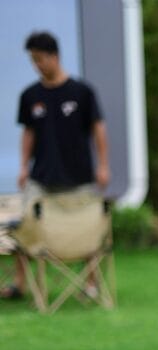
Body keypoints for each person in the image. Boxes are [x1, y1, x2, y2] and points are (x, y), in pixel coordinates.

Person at [2, 30, 109, 300]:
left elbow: (98, 129)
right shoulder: (30, 95)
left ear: (54, 56)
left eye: (39, 59)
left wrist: (103, 165)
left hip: (79, 176)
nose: (37, 65)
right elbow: (28, 133)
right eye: (33, 60)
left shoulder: (82, 92)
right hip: (42, 176)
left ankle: (91, 284)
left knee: (88, 228)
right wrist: (23, 166)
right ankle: (20, 284)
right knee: (24, 225)